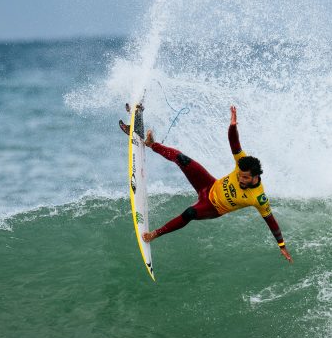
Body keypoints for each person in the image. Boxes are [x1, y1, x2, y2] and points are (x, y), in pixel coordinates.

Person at [120, 105, 292, 262]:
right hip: (208, 185)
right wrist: (232, 126)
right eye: (239, 175)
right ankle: (152, 144)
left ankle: (155, 234)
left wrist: (282, 246)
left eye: (245, 178)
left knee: (189, 213)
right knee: (182, 159)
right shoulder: (242, 161)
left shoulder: (259, 198)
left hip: (213, 207)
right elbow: (234, 143)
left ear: (255, 177)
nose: (240, 179)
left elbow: (271, 222)